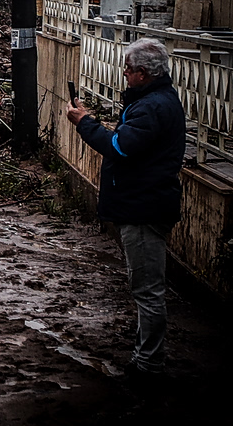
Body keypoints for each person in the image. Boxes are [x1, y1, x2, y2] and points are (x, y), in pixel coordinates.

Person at [66, 37, 185, 383]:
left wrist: (84, 123)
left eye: (129, 70)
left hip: (144, 207)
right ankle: (145, 356)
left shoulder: (150, 108)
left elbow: (120, 147)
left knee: (147, 290)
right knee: (144, 286)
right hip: (145, 202)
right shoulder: (155, 101)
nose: (124, 74)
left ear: (145, 74)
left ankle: (148, 366)